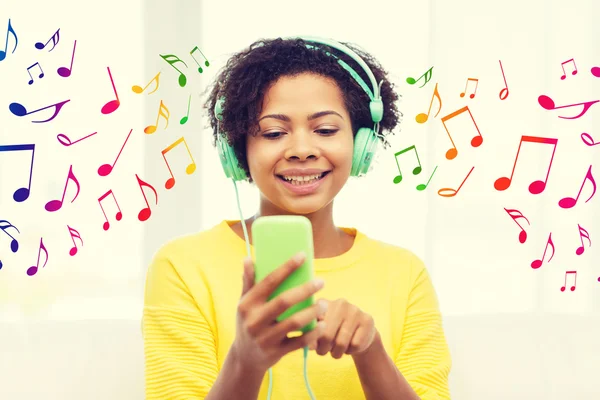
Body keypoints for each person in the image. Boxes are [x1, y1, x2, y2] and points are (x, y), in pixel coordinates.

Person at [142, 36, 451, 400]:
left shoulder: (404, 273)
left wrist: (371, 353)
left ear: (362, 144)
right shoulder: (183, 266)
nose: (302, 150)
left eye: (325, 130)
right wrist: (246, 361)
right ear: (238, 150)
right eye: (274, 133)